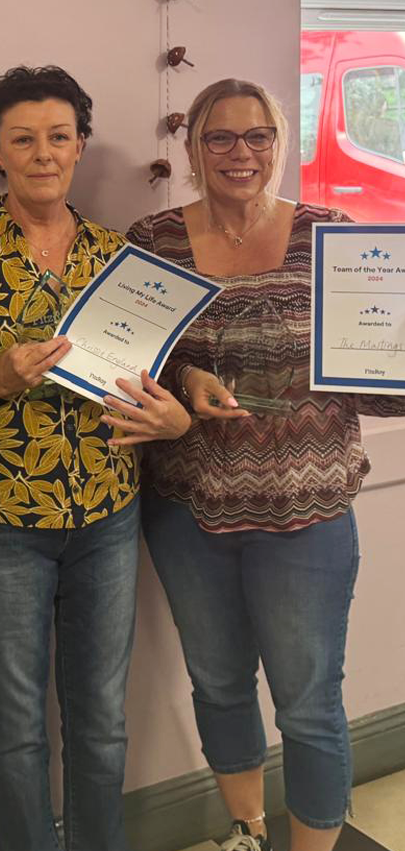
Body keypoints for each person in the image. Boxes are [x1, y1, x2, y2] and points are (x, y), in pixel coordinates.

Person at [126, 78, 405, 851]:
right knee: (216, 686)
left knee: (309, 703)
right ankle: (246, 834)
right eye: (220, 137)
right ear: (192, 149)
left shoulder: (333, 238)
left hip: (307, 517)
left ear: (281, 146)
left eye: (258, 137)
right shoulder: (155, 241)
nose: (240, 153)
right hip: (188, 512)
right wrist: (181, 383)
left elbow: (383, 388)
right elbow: (130, 360)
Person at [0, 66, 191, 851]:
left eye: (59, 136)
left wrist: (172, 415)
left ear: (80, 145)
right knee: (15, 733)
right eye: (23, 139)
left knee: (102, 726)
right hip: (0, 524)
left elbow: (154, 382)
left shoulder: (122, 259)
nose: (44, 153)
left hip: (109, 518)